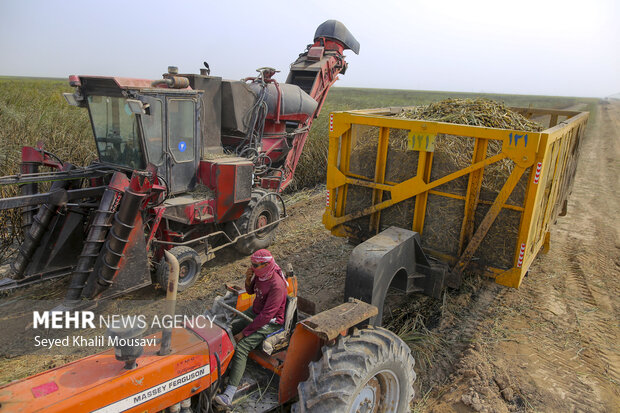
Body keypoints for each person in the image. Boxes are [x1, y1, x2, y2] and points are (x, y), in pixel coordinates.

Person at [214, 249, 288, 408]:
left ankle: (229, 394)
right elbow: (250, 291)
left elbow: (267, 316)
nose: (252, 267)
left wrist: (244, 333)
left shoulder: (277, 285)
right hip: (255, 312)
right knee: (227, 329)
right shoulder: (261, 275)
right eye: (251, 264)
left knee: (242, 346)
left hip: (271, 322)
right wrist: (248, 279)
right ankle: (222, 367)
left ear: (266, 264)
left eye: (255, 265)